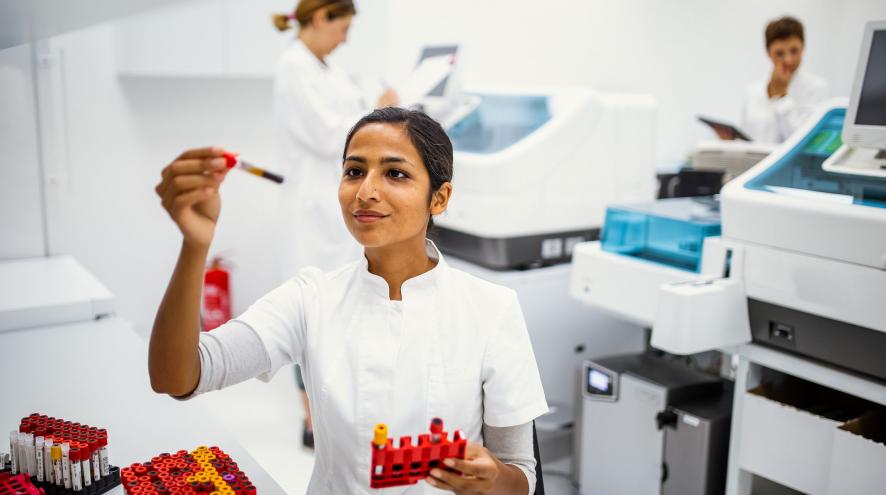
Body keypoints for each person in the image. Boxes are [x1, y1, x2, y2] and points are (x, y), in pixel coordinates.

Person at [150, 107, 548, 494]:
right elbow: (178, 376)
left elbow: (521, 478)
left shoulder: (492, 309)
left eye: (395, 173)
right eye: (354, 171)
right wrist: (195, 246)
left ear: (439, 198)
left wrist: (491, 479)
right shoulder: (311, 298)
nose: (366, 192)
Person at [271, 0, 399, 447]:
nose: (346, 38)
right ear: (322, 17)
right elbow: (329, 134)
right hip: (312, 212)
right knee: (313, 318)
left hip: (336, 211)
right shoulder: (293, 67)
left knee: (343, 317)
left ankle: (337, 416)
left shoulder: (328, 69)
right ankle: (312, 422)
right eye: (342, 27)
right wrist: (375, 112)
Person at [740, 16, 827, 144]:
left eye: (794, 51)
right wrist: (730, 140)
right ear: (768, 53)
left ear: (803, 48)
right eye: (780, 53)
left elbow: (803, 142)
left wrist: (782, 96)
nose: (788, 60)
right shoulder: (751, 92)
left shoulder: (816, 88)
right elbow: (746, 139)